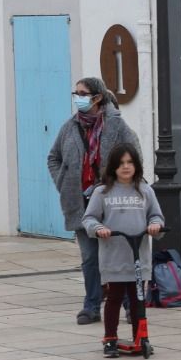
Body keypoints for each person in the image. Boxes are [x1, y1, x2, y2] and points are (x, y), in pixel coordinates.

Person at [46, 76, 140, 325]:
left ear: (97, 98)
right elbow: (53, 157)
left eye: (83, 93)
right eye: (75, 93)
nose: (78, 97)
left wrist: (122, 187)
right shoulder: (69, 127)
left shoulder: (117, 126)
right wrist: (62, 182)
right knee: (89, 257)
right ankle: (91, 306)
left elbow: (135, 156)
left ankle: (131, 306)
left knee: (120, 256)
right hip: (80, 203)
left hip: (112, 201)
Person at [83, 144, 165, 358]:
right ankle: (110, 338)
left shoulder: (145, 190)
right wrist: (98, 228)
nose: (126, 167)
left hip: (138, 256)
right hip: (114, 256)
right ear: (113, 167)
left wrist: (155, 226)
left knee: (138, 298)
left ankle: (141, 337)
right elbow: (89, 218)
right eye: (121, 164)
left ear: (136, 165)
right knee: (114, 298)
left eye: (129, 162)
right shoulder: (102, 192)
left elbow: (156, 216)